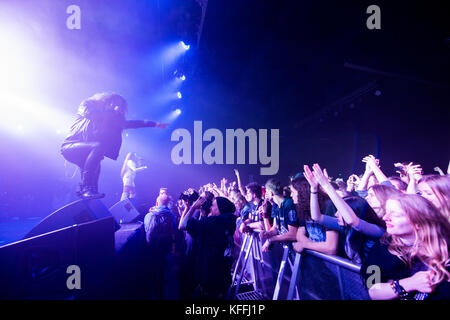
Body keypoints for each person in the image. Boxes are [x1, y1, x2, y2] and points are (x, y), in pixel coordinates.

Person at [61, 92, 168, 199]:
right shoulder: (88, 104)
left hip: (86, 153)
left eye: (120, 106)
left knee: (95, 173)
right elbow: (91, 114)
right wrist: (111, 112)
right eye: (115, 104)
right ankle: (86, 188)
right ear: (107, 101)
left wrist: (154, 124)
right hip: (71, 146)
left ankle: (88, 194)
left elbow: (132, 124)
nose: (117, 108)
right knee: (98, 147)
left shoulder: (111, 119)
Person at [361, 193, 450, 300]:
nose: (385, 217)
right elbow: (372, 290)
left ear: (419, 222)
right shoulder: (381, 246)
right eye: (386, 212)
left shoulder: (445, 248)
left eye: (395, 214)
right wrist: (408, 284)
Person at [304, 164, 386, 264]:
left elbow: (353, 221)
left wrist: (326, 185)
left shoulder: (378, 230)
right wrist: (314, 189)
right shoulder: (347, 227)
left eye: (340, 211)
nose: (336, 214)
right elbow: (317, 217)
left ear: (353, 212)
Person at [179, 196, 237, 299]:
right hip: (221, 275)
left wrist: (192, 207)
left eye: (213, 205)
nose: (210, 207)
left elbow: (182, 225)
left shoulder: (214, 223)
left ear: (220, 208)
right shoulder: (228, 221)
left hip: (209, 277)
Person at [289, 174, 339, 256]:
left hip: (332, 265)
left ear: (302, 192)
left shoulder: (328, 205)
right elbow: (299, 234)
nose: (291, 195)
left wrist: (305, 245)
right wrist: (315, 248)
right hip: (318, 261)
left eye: (292, 192)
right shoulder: (303, 208)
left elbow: (331, 248)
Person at [260, 179, 298, 252]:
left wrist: (271, 239)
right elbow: (276, 228)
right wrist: (267, 233)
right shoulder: (276, 206)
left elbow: (293, 234)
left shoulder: (288, 204)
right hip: (286, 249)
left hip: (295, 250)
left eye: (266, 191)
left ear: (271, 193)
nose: (265, 194)